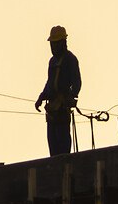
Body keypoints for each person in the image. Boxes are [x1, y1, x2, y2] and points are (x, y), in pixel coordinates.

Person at [34, 25, 82, 156]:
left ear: (63, 43)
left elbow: (77, 82)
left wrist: (70, 97)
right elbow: (50, 82)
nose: (53, 47)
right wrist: (41, 97)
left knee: (63, 144)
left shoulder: (70, 59)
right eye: (52, 44)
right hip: (52, 109)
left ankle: (64, 165)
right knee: (53, 145)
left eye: (56, 44)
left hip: (62, 108)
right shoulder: (52, 61)